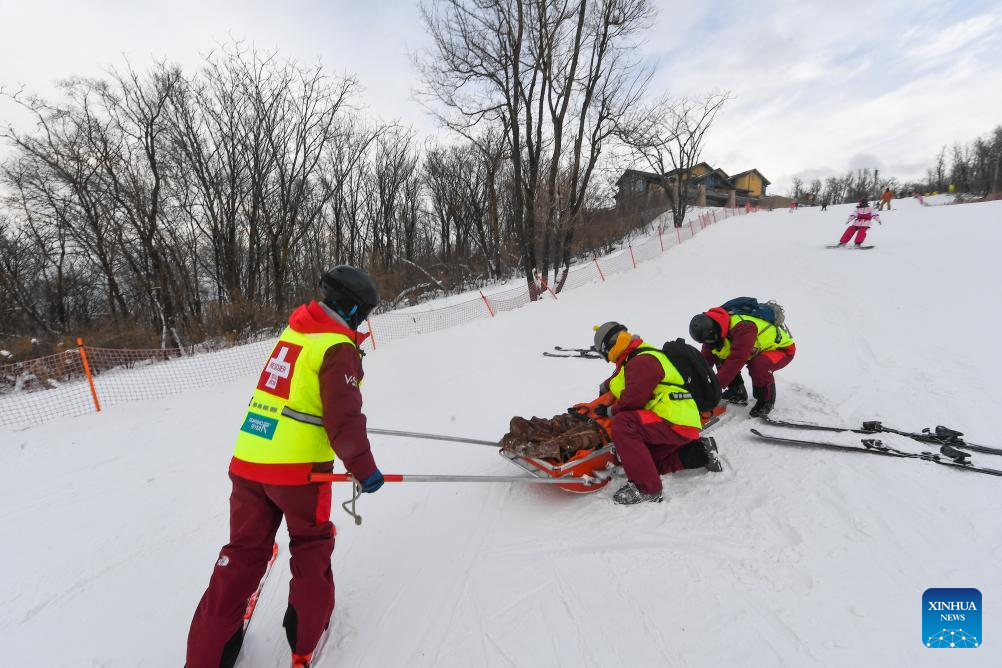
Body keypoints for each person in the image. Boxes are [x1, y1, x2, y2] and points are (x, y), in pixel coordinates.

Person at [186, 266, 384, 668]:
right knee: (311, 546)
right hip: (299, 473)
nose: (363, 321)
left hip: (249, 461)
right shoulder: (335, 346)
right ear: (350, 307)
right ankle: (304, 639)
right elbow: (343, 419)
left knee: (242, 554)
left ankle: (206, 656)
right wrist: (364, 468)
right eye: (362, 312)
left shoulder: (296, 331)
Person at [591, 322, 722, 505]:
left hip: (672, 420)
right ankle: (700, 452)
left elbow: (632, 400)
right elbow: (623, 380)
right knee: (644, 463)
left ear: (609, 348)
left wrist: (609, 410)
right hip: (681, 422)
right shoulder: (636, 357)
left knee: (623, 423)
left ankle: (647, 489)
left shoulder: (643, 360)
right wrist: (607, 386)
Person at [688, 307, 796, 418]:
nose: (707, 343)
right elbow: (704, 362)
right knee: (720, 351)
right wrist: (694, 385)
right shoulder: (713, 330)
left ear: (712, 332)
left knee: (758, 365)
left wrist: (713, 388)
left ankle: (766, 401)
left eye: (708, 340)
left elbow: (736, 360)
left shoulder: (743, 327)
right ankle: (737, 391)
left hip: (781, 349)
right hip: (755, 349)